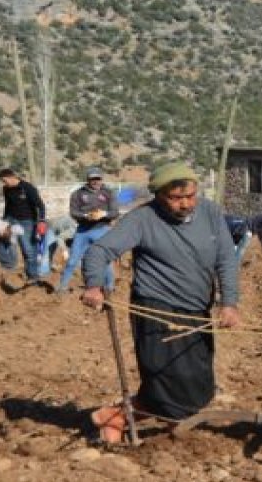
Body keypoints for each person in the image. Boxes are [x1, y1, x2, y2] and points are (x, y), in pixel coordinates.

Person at [79, 162, 241, 443]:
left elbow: (226, 258)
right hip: (156, 308)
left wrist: (229, 303)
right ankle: (140, 423)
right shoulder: (142, 219)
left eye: (190, 196)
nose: (185, 204)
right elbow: (99, 251)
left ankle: (116, 415)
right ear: (159, 196)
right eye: (176, 198)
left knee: (199, 382)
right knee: (167, 378)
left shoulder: (211, 213)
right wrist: (94, 285)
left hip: (197, 310)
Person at [56, 167, 119, 295]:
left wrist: (104, 214)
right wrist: (86, 216)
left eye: (98, 178)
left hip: (102, 229)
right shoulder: (78, 194)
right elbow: (73, 212)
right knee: (72, 260)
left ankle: (109, 287)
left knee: (105, 260)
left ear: (101, 179)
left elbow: (115, 212)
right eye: (92, 179)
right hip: (83, 231)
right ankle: (62, 287)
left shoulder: (108, 193)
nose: (96, 181)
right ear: (88, 180)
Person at [0, 168, 47, 281]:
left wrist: (41, 220)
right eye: (2, 181)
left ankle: (33, 276)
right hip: (11, 219)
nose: (4, 183)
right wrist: (4, 221)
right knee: (2, 240)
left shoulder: (27, 188)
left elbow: (40, 205)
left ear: (11, 177)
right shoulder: (6, 189)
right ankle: (9, 266)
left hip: (27, 221)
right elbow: (7, 205)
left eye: (4, 180)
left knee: (28, 249)